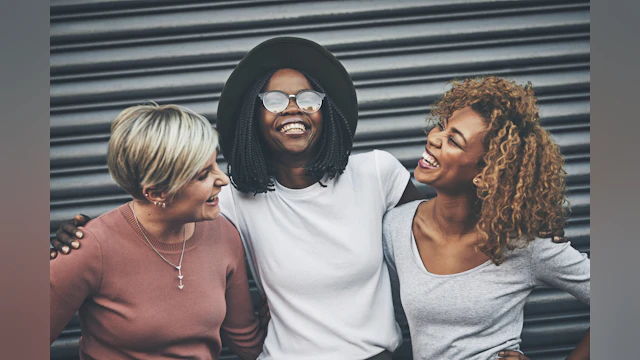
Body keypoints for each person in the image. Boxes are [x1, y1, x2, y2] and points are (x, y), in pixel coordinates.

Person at [51, 38, 566, 360]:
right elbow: (157, 224)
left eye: (308, 97)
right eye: (274, 100)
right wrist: (80, 239)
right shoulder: (231, 199)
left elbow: (450, 220)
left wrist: (525, 226)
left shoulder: (377, 174)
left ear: (327, 111)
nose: (293, 109)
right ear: (255, 116)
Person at [382, 76, 590, 360]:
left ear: (485, 174)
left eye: (453, 140)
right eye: (441, 127)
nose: (433, 138)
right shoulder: (396, 228)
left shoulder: (523, 245)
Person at [50, 103, 265, 359]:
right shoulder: (89, 248)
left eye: (215, 164)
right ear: (157, 193)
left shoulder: (224, 235)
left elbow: (247, 342)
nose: (223, 180)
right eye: (203, 175)